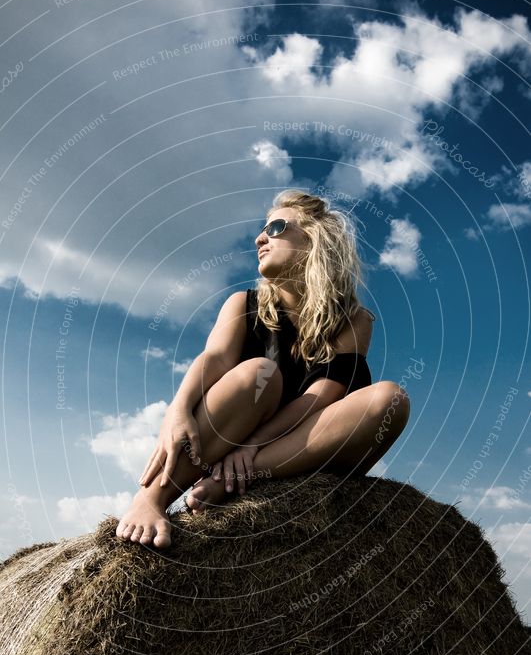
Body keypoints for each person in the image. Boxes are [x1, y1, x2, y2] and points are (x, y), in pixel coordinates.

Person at [116, 190, 410, 549]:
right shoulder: (242, 304)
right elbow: (215, 360)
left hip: (299, 448)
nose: (259, 238)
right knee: (259, 373)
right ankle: (151, 498)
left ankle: (232, 480)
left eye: (276, 227)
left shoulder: (354, 319)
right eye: (262, 230)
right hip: (230, 438)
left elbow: (323, 394)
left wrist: (255, 447)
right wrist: (176, 412)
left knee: (389, 398)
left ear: (314, 240)